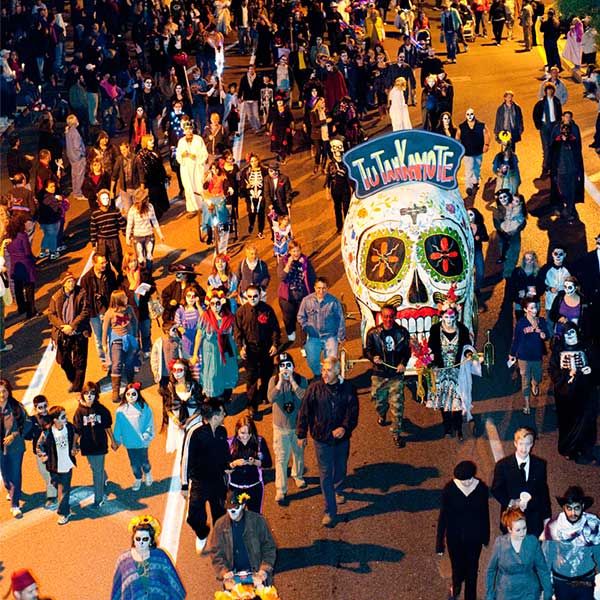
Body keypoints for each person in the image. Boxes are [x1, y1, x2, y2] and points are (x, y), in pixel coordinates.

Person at [297, 356, 359, 527]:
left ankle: (338, 488)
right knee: (325, 474)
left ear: (337, 371)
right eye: (323, 369)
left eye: (328, 370)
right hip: (321, 439)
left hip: (342, 439)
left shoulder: (348, 389)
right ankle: (330, 511)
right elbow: (304, 411)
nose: (324, 373)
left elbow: (352, 413)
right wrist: (301, 434)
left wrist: (345, 428)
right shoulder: (314, 389)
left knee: (341, 467)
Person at [180, 399, 230, 554]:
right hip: (199, 482)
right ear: (215, 416)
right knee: (193, 516)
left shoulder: (222, 431)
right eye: (222, 412)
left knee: (220, 515)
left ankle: (219, 541)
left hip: (218, 481)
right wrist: (183, 485)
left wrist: (228, 469)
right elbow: (186, 458)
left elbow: (225, 454)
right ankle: (202, 533)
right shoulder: (194, 432)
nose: (225, 414)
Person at [436, 461, 490, 600]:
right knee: (457, 567)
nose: (466, 484)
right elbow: (443, 517)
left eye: (469, 480)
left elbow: (484, 513)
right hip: (455, 538)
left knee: (472, 571)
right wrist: (439, 544)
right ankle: (456, 585)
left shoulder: (481, 489)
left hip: (474, 538)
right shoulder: (449, 489)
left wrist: (485, 535)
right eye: (463, 481)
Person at [490, 427, 552, 538]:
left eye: (527, 444)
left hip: (534, 517)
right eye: (521, 444)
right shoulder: (503, 465)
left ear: (532, 444)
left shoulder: (540, 464)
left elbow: (543, 491)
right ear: (515, 443)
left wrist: (546, 518)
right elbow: (496, 489)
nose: (524, 449)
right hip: (513, 516)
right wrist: (511, 502)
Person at [210, 489, 277, 590]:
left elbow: (269, 548)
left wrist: (263, 571)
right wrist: (224, 572)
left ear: (243, 505)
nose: (232, 511)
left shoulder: (258, 521)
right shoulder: (220, 525)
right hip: (233, 578)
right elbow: (215, 552)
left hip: (256, 576)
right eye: (228, 508)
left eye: (235, 508)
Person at [549, 323, 597, 464]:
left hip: (585, 392)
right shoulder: (558, 351)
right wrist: (566, 375)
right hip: (566, 395)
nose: (570, 336)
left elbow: (596, 364)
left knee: (587, 421)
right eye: (567, 334)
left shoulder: (587, 348)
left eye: (572, 333)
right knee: (568, 423)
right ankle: (568, 448)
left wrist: (590, 370)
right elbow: (552, 370)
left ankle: (585, 450)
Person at [365, 305, 411, 448]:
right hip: (379, 374)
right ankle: (382, 412)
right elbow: (367, 350)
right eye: (386, 316)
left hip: (396, 375)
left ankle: (396, 433)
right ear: (381, 317)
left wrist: (403, 363)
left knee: (397, 405)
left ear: (395, 316)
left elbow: (406, 352)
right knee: (378, 400)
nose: (388, 319)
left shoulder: (402, 333)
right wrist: (373, 358)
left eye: (391, 316)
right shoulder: (373, 333)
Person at [541, 486, 600, 598]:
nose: (573, 513)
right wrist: (546, 587)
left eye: (576, 508)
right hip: (562, 582)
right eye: (569, 508)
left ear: (582, 506)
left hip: (585, 581)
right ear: (564, 507)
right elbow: (546, 558)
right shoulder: (553, 526)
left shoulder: (592, 525)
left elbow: (599, 554)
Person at [111, 515, 186, 599]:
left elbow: (173, 584)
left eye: (145, 539)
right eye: (138, 539)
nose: (141, 542)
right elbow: (118, 590)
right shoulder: (124, 560)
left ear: (151, 540)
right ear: (133, 539)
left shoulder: (161, 557)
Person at [485, 507, 553, 600]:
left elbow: (542, 568)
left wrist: (548, 591)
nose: (522, 533)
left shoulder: (532, 541)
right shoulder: (500, 543)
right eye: (518, 530)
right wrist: (490, 595)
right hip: (506, 592)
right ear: (509, 529)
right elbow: (491, 570)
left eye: (524, 528)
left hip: (529, 591)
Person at [426, 307, 472, 440]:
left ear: (456, 317)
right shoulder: (435, 329)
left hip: (457, 370)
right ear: (441, 317)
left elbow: (466, 345)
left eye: (452, 317)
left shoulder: (462, 329)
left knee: (457, 400)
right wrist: (428, 357)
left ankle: (458, 428)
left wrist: (468, 354)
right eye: (446, 317)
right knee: (444, 401)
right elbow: (432, 346)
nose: (449, 320)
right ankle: (447, 427)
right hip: (440, 370)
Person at [234, 284, 281, 417]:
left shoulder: (267, 310)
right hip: (250, 350)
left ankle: (265, 394)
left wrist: (275, 344)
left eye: (255, 296)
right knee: (251, 378)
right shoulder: (241, 312)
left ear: (260, 296)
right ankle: (252, 405)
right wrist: (240, 347)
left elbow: (275, 329)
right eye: (249, 296)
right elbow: (237, 332)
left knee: (266, 374)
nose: (252, 298)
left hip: (266, 348)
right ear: (245, 297)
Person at [268, 352, 307, 504]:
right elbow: (271, 398)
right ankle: (281, 489)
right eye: (282, 366)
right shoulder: (274, 380)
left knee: (298, 454)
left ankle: (298, 476)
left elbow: (304, 397)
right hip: (280, 427)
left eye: (288, 365)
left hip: (297, 427)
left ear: (293, 366)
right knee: (281, 458)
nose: (285, 369)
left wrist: (292, 382)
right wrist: (279, 383)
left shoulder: (301, 379)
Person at [73, 381, 117, 508]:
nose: (89, 396)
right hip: (87, 445)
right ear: (82, 395)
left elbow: (107, 427)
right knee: (94, 466)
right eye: (86, 393)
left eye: (92, 393)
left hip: (100, 444)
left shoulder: (102, 410)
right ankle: (104, 477)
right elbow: (77, 430)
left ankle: (99, 498)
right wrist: (73, 444)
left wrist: (113, 441)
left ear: (96, 395)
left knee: (96, 472)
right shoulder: (79, 412)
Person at [191, 288, 238, 401]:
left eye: (217, 303)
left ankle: (225, 398)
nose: (215, 306)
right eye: (212, 303)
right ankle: (213, 400)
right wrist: (194, 354)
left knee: (226, 372)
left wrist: (238, 350)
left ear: (222, 303)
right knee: (212, 375)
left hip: (226, 348)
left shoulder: (229, 317)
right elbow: (199, 335)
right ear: (209, 304)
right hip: (211, 351)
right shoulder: (205, 317)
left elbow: (234, 335)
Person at [47, 272, 90, 393]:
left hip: (79, 331)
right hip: (63, 333)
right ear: (63, 284)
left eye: (72, 280)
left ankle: (77, 387)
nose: (71, 283)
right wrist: (63, 327)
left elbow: (85, 311)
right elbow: (51, 314)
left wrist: (72, 326)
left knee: (80, 362)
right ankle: (74, 380)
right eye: (68, 281)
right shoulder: (56, 297)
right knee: (63, 360)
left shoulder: (81, 293)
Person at [37, 405, 78, 525]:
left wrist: (76, 448)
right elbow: (39, 446)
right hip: (54, 466)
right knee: (55, 484)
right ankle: (65, 506)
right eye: (63, 417)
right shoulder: (48, 432)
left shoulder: (69, 428)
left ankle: (63, 513)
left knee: (63, 490)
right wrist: (44, 456)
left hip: (66, 465)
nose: (66, 418)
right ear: (55, 419)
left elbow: (75, 442)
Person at [297, 277, 345, 378]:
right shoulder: (306, 301)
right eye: (319, 288)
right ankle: (319, 375)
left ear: (327, 288)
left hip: (330, 337)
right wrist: (307, 327)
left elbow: (340, 319)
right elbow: (300, 316)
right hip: (314, 337)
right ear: (314, 288)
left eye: (324, 288)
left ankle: (329, 377)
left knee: (331, 362)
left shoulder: (333, 302)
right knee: (312, 360)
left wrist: (340, 336)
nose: (321, 291)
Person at [508, 298, 548, 415]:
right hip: (523, 356)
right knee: (525, 379)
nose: (534, 310)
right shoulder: (521, 323)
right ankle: (526, 404)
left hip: (536, 355)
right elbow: (516, 340)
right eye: (531, 308)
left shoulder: (541, 321)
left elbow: (546, 335)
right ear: (525, 309)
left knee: (538, 376)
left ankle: (535, 384)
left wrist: (543, 334)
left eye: (535, 307)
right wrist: (512, 353)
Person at [113, 382, 155, 490]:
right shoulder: (121, 410)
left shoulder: (144, 407)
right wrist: (116, 440)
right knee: (134, 464)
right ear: (125, 395)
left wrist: (146, 434)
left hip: (142, 442)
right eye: (128, 394)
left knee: (144, 462)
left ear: (138, 394)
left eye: (133, 394)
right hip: (129, 443)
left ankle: (147, 472)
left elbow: (149, 422)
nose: (131, 397)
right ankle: (138, 478)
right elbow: (118, 426)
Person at [0, 379, 32, 519]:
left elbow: (28, 423)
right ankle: (10, 489)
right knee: (5, 474)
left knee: (15, 474)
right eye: (0, 392)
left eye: (4, 391)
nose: (2, 394)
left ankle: (15, 505)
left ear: (9, 392)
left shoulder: (16, 406)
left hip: (15, 447)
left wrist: (14, 434)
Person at [228, 415, 272, 513]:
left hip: (255, 487)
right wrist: (234, 463)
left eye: (249, 433)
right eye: (242, 433)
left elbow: (268, 463)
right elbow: (224, 467)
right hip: (235, 488)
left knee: (255, 518)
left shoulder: (259, 441)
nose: (245, 436)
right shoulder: (230, 443)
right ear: (237, 430)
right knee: (236, 520)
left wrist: (255, 462)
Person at [80, 253, 119, 366]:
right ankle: (104, 361)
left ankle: (112, 358)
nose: (104, 265)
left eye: (105, 262)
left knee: (110, 336)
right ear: (94, 263)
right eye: (101, 263)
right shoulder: (86, 279)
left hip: (108, 311)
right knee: (99, 339)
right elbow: (84, 299)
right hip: (95, 314)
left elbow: (115, 290)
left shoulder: (109, 274)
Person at [102, 290, 140, 402]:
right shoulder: (109, 313)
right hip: (116, 341)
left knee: (130, 362)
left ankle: (130, 384)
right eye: (124, 297)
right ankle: (115, 391)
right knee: (116, 364)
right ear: (118, 300)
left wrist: (136, 336)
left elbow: (135, 322)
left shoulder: (129, 309)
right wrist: (104, 344)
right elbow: (105, 330)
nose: (127, 298)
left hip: (129, 339)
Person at [161, 358, 202, 453]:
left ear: (186, 370)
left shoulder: (194, 386)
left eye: (179, 370)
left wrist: (189, 420)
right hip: (177, 423)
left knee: (194, 448)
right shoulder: (170, 387)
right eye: (174, 370)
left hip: (193, 420)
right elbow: (167, 407)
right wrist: (174, 419)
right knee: (181, 450)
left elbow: (200, 407)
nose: (176, 373)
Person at [5, 213, 38, 319]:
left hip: (15, 265)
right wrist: (33, 259)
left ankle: (21, 307)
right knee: (29, 288)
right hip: (26, 264)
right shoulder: (22, 235)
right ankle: (31, 311)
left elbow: (9, 250)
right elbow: (27, 251)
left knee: (18, 288)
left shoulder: (8, 237)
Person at [125, 187, 165, 273]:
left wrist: (160, 234)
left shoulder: (150, 207)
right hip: (137, 237)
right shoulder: (132, 211)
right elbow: (129, 225)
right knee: (140, 258)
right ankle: (143, 274)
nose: (148, 198)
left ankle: (149, 273)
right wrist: (127, 238)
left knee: (149, 256)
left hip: (149, 236)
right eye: (146, 198)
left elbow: (154, 221)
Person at [176, 117, 208, 219]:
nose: (188, 131)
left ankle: (203, 205)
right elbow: (178, 156)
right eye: (186, 130)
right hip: (186, 169)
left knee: (199, 186)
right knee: (189, 188)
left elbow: (204, 153)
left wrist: (196, 156)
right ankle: (192, 208)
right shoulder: (181, 142)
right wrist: (182, 155)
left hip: (197, 167)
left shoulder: (199, 139)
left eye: (190, 129)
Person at [134, 135, 170, 220]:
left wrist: (164, 176)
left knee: (160, 197)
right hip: (150, 181)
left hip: (159, 180)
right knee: (153, 199)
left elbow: (160, 165)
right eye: (150, 140)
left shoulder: (156, 151)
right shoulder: (142, 154)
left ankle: (159, 213)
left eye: (153, 139)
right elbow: (143, 169)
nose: (152, 141)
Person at [90, 189, 126, 273]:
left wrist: (127, 235)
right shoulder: (95, 214)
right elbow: (93, 229)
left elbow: (122, 224)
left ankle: (121, 277)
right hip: (102, 241)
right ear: (99, 200)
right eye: (103, 198)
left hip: (114, 240)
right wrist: (93, 243)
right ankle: (108, 281)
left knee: (117, 260)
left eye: (107, 198)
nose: (105, 201)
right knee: (103, 262)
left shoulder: (115, 210)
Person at [457, 108, 491, 198]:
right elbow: (457, 137)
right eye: (468, 114)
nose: (470, 116)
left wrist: (486, 144)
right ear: (465, 115)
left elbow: (487, 134)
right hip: (468, 152)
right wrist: (458, 148)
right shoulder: (462, 126)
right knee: (469, 169)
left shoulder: (481, 125)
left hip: (478, 151)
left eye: (471, 114)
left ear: (474, 114)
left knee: (477, 167)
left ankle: (475, 181)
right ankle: (468, 186)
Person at [532, 82, 562, 177]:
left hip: (554, 126)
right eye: (548, 90)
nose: (549, 92)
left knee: (554, 147)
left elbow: (560, 114)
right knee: (546, 148)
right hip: (544, 127)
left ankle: (554, 167)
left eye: (551, 90)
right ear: (545, 91)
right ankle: (545, 167)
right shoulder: (540, 103)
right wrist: (539, 125)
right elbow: (535, 114)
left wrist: (559, 124)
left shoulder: (556, 102)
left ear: (553, 91)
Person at [324, 138, 353, 234]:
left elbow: (350, 177)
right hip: (335, 189)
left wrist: (353, 188)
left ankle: (348, 226)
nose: (337, 151)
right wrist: (327, 191)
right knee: (337, 208)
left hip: (345, 189)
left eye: (339, 148)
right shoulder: (331, 164)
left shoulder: (346, 162)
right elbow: (328, 178)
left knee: (346, 208)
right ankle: (340, 227)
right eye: (335, 148)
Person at [64, 114, 86, 200]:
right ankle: (78, 193)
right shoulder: (75, 133)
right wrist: (82, 153)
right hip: (77, 157)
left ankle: (75, 191)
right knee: (79, 175)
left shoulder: (68, 132)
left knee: (74, 175)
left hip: (71, 157)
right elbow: (77, 147)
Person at [468, 208, 489, 295]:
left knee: (480, 271)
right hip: (467, 252)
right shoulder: (464, 226)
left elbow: (486, 238)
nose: (469, 217)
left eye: (471, 214)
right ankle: (469, 289)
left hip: (477, 251)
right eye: (467, 214)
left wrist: (480, 237)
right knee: (469, 272)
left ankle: (477, 288)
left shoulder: (480, 226)